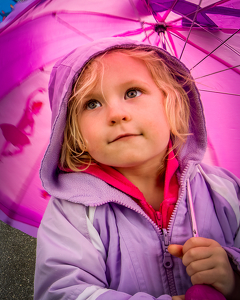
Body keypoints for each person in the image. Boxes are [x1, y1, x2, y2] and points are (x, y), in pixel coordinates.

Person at [34, 37, 240, 300]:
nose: (117, 114)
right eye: (92, 103)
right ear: (74, 134)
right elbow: (63, 292)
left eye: (132, 92)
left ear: (171, 103)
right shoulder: (74, 213)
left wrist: (233, 275)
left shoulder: (224, 190)